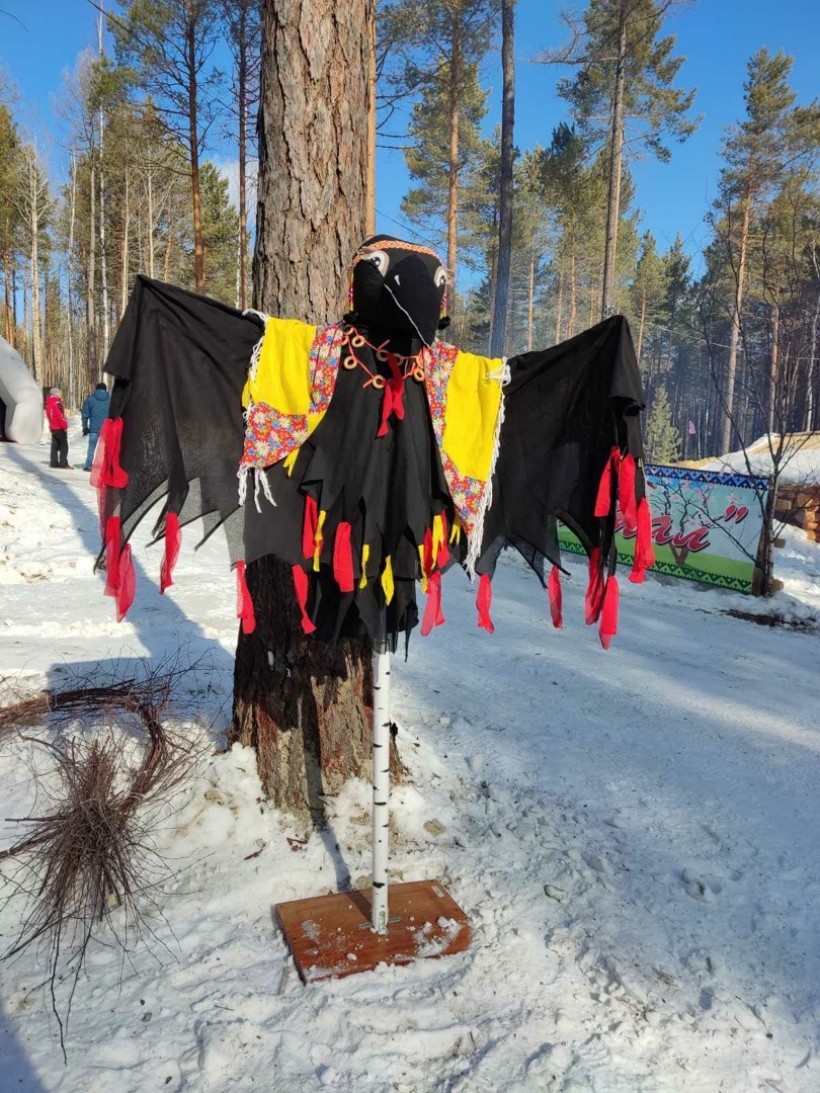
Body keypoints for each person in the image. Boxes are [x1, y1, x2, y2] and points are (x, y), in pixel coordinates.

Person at [81, 381, 110, 471]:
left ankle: (88, 466)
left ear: (96, 389)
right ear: (105, 389)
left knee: (91, 448)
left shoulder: (90, 399)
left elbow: (85, 414)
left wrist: (85, 427)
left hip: (94, 428)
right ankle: (106, 467)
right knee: (106, 449)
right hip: (107, 428)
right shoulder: (111, 400)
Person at [44, 387, 71, 469]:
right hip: (59, 427)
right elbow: (61, 416)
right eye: (60, 393)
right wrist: (65, 426)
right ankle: (63, 464)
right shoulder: (57, 403)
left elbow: (50, 416)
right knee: (64, 446)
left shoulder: (48, 403)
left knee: (54, 446)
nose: (61, 394)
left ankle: (54, 463)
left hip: (53, 427)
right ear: (56, 394)